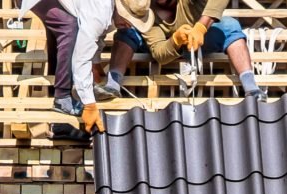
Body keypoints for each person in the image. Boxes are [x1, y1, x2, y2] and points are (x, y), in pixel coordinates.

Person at [19, 0, 152, 132]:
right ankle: (62, 97)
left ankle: (58, 82)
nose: (129, 25)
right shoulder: (99, 11)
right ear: (119, 8)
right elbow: (81, 59)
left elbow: (97, 36)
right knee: (68, 27)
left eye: (133, 22)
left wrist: (95, 64)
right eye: (128, 19)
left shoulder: (114, 14)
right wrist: (89, 104)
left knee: (67, 24)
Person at [97, 0, 265, 101]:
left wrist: (201, 26)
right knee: (127, 32)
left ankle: (251, 88)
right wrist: (175, 41)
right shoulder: (146, 14)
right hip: (167, 45)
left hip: (200, 39)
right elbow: (159, 53)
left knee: (230, 26)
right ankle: (113, 84)